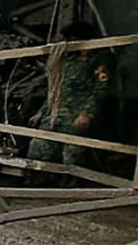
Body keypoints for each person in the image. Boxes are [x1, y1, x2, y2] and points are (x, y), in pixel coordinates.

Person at [27, 22, 114, 167]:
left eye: (72, 39)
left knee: (72, 157)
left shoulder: (99, 59)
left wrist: (87, 114)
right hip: (55, 116)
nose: (68, 43)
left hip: (76, 115)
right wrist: (41, 112)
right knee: (38, 151)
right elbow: (56, 89)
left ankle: (71, 181)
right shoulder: (67, 60)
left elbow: (101, 88)